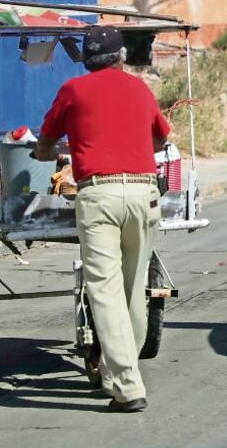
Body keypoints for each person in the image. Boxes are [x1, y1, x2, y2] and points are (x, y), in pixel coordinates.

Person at [34, 26, 170, 413]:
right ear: (121, 56)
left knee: (105, 291)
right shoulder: (140, 89)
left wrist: (51, 152)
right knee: (133, 288)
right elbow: (160, 139)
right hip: (144, 193)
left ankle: (128, 386)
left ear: (86, 60)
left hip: (99, 196)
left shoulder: (73, 91)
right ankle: (115, 374)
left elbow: (45, 144)